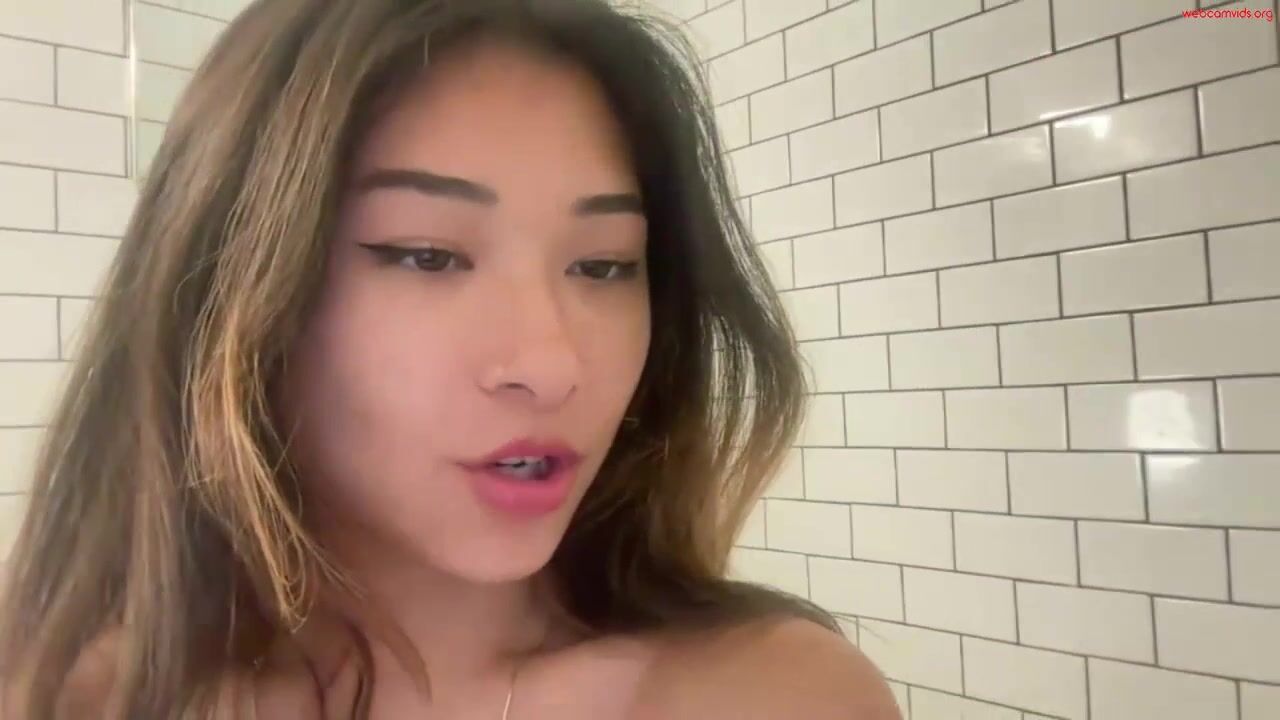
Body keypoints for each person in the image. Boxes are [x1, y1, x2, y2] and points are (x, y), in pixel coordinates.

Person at [0, 0, 900, 717]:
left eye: (604, 265)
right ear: (229, 287)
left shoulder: (774, 696)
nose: (550, 364)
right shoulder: (61, 692)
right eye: (427, 255)